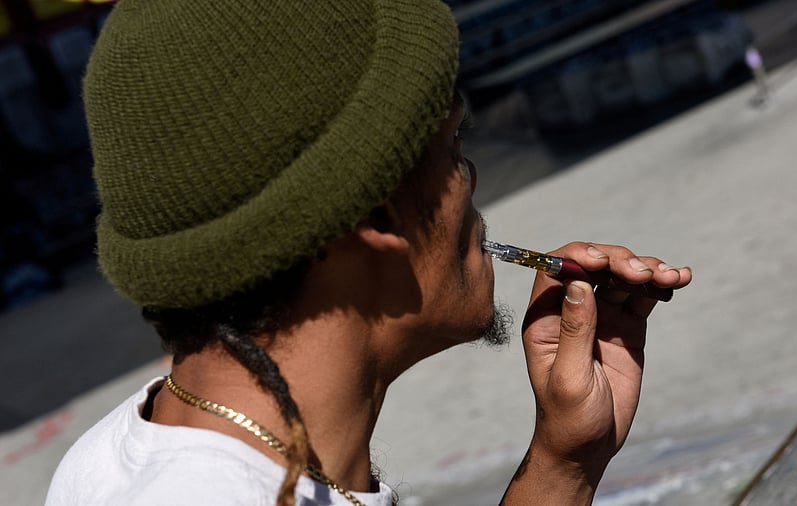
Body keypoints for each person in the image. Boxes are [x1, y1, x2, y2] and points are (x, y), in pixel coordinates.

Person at [46, 1, 692, 505]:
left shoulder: (126, 453)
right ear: (379, 211)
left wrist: (563, 463)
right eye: (453, 147)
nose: (469, 183)